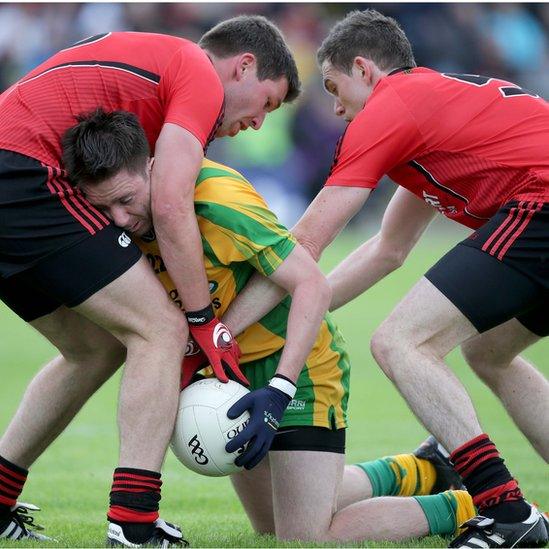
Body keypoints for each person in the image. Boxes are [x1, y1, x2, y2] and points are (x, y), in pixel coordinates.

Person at [64, 108, 476, 544]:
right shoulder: (107, 229)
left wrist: (280, 389)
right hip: (228, 377)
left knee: (304, 535)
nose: (120, 219)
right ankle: (425, 468)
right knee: (272, 524)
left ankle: (471, 505)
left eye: (126, 200)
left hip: (297, 368)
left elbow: (311, 286)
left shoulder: (219, 201)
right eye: (103, 206)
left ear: (151, 167)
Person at [221, 9, 549, 549]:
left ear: (365, 69)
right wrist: (301, 313)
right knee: (488, 351)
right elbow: (386, 251)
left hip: (542, 203)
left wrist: (226, 329)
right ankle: (491, 496)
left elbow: (303, 242)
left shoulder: (393, 106)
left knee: (401, 342)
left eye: (334, 86)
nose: (334, 106)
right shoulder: (430, 110)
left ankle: (506, 508)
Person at [0, 17, 299, 546]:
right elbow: (168, 201)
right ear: (243, 67)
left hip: (13, 171)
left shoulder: (161, 60)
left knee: (93, 349)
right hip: (24, 172)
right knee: (160, 329)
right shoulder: (200, 75)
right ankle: (133, 523)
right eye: (268, 103)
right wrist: (202, 319)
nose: (258, 123)